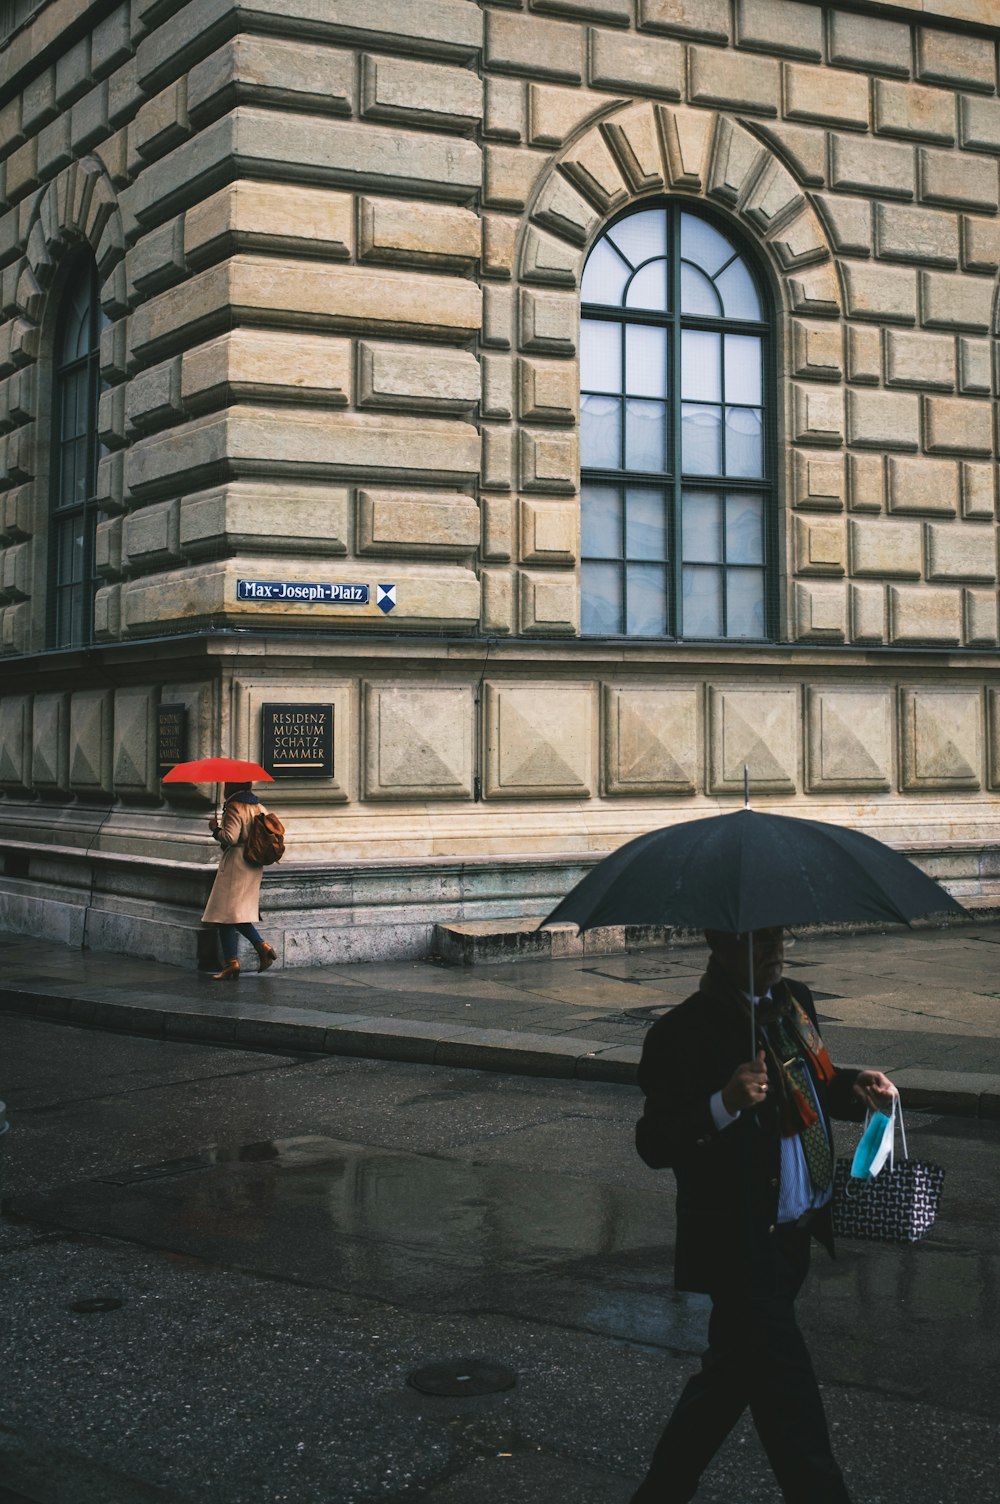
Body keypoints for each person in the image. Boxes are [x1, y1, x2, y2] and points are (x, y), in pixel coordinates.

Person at [630, 926, 897, 1504]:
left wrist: (857, 1088)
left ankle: (661, 1492)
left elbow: (815, 1089)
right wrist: (723, 1103)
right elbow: (654, 1143)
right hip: (738, 1244)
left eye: (781, 935)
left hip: (792, 1236)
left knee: (729, 1378)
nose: (776, 949)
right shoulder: (682, 1032)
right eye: (759, 939)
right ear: (717, 943)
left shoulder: (795, 1002)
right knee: (790, 1403)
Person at [201, 782, 277, 980]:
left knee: (224, 914)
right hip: (253, 862)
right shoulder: (258, 806)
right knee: (234, 914)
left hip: (236, 864)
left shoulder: (235, 807)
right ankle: (260, 949)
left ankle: (234, 962)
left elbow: (230, 837)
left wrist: (215, 829)